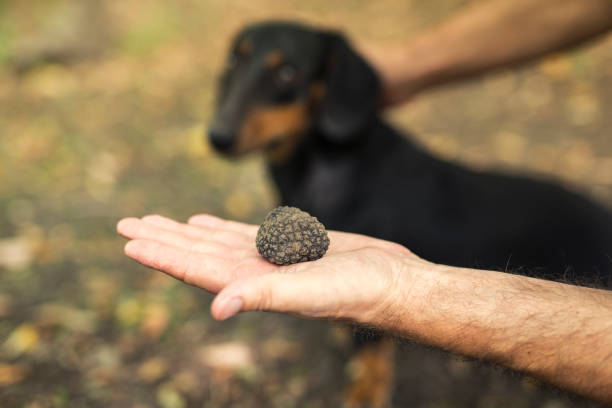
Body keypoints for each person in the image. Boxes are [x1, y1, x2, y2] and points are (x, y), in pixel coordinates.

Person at [117, 0, 612, 403]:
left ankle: (372, 374)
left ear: (328, 87)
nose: (227, 122)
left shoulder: (361, 185)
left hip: (586, 240)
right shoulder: (317, 173)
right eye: (238, 65)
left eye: (285, 77)